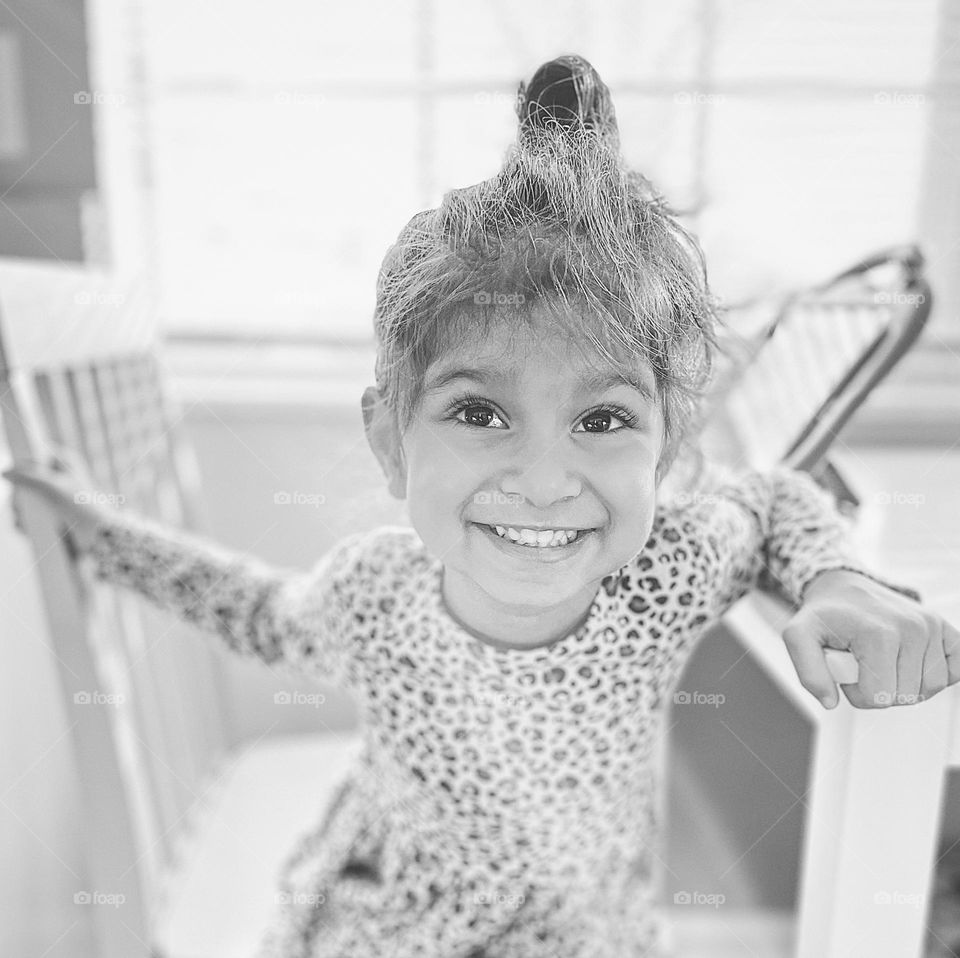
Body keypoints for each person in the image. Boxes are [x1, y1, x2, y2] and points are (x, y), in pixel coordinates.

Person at [4, 54, 957, 958]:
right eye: (480, 411)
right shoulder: (372, 595)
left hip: (584, 934)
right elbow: (252, 610)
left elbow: (770, 497)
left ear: (668, 445)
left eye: (603, 418)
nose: (544, 481)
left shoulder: (668, 568)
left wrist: (839, 575)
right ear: (390, 440)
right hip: (393, 924)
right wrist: (98, 532)